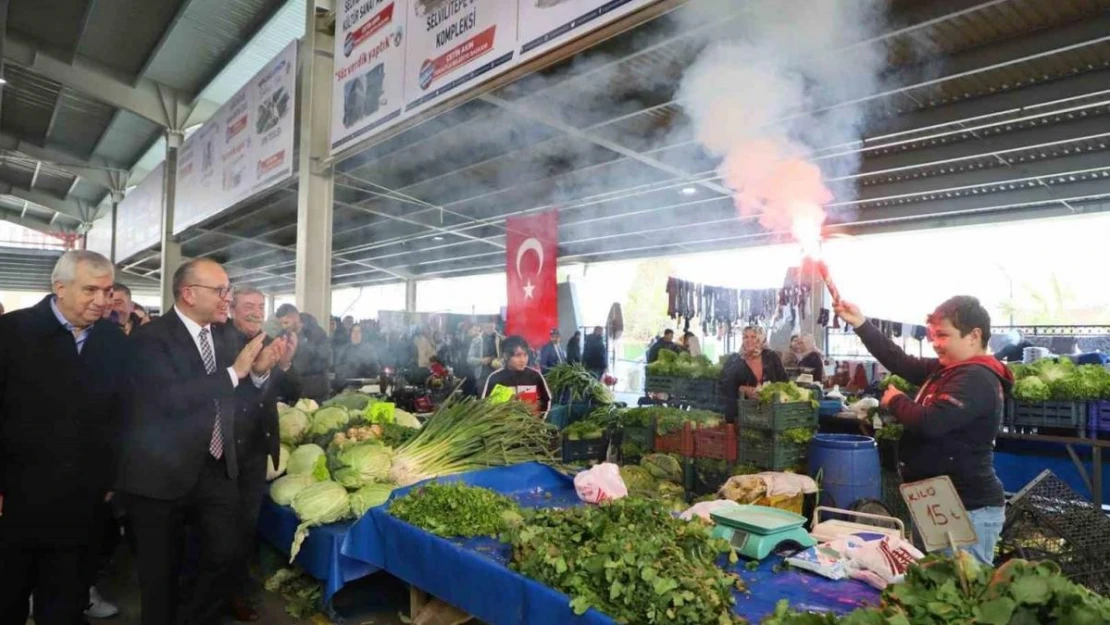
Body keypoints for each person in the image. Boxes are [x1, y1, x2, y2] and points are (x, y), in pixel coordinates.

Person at [117, 259, 284, 625]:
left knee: (226, 554)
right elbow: (168, 399)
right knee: (159, 574)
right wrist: (234, 373)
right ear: (189, 294)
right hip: (159, 474)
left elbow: (237, 395)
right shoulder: (151, 338)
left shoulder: (225, 335)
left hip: (214, 467)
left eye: (228, 289)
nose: (228, 298)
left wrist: (257, 375)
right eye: (220, 290)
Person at [0, 251, 130, 625]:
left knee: (64, 603)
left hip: (83, 501)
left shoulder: (112, 340)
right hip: (17, 498)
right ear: (59, 287)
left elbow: (121, 414)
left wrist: (110, 479)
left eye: (106, 291)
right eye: (90, 289)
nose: (101, 301)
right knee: (7, 593)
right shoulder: (12, 333)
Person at [836, 296, 1012, 565]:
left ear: (974, 336)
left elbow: (931, 422)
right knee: (932, 582)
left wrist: (896, 400)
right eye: (933, 335)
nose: (935, 343)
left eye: (943, 335)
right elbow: (901, 362)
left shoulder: (977, 377)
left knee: (961, 591)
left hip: (967, 509)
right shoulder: (949, 370)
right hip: (937, 502)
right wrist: (861, 323)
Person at [217, 286, 300, 622]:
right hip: (224, 449)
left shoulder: (266, 341)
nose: (255, 312)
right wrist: (257, 372)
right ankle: (223, 594)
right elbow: (227, 397)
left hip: (255, 449)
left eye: (260, 306)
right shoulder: (220, 341)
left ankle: (237, 587)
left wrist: (285, 362)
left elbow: (291, 393)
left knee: (245, 524)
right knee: (223, 526)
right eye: (248, 306)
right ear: (232, 309)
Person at [721, 326, 789, 424]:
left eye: (753, 337)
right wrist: (742, 389)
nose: (749, 340)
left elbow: (784, 382)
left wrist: (769, 392)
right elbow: (724, 385)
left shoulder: (771, 357)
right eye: (745, 337)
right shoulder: (735, 359)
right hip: (743, 416)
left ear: (761, 339)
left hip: (770, 414)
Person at [481, 335, 552, 418]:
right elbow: (486, 406)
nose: (523, 360)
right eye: (518, 356)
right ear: (506, 356)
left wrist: (538, 422)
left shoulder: (534, 376)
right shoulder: (495, 378)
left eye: (525, 355)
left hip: (530, 427)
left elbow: (546, 400)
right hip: (505, 428)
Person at [277, 304, 332, 402]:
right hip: (291, 392)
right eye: (281, 323)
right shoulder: (282, 336)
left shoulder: (317, 333)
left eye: (286, 322)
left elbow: (327, 361)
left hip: (316, 391)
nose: (284, 327)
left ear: (295, 317)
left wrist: (298, 369)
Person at [468, 322, 501, 391]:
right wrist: (481, 361)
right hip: (482, 376)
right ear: (483, 327)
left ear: (495, 326)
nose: (490, 330)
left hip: (498, 375)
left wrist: (500, 363)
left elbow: (507, 358)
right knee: (482, 398)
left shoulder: (501, 339)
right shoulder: (476, 340)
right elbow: (469, 359)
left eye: (491, 327)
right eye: (487, 327)